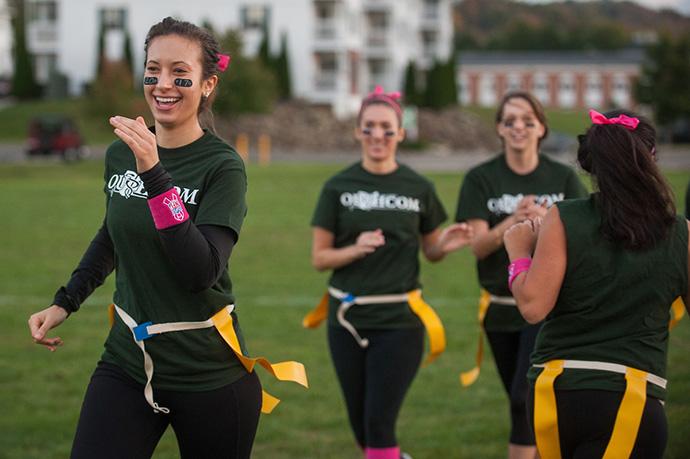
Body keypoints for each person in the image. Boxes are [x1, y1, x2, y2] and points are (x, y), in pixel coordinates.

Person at [27, 17, 305, 459]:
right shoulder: (124, 150)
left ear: (207, 84)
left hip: (209, 372)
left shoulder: (223, 166)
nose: (163, 84)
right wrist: (66, 301)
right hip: (127, 362)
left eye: (180, 73)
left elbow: (201, 271)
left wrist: (155, 175)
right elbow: (113, 235)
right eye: (153, 70)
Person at [504, 109, 688, 458]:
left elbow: (532, 306)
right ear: (651, 159)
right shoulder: (681, 232)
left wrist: (518, 254)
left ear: (590, 165)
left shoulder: (564, 216)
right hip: (631, 396)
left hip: (555, 393)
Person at [303, 86, 473, 459]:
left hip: (399, 320)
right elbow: (320, 258)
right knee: (362, 427)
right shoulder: (338, 187)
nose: (377, 135)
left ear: (400, 132)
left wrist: (447, 243)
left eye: (385, 127)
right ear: (357, 132)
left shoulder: (419, 188)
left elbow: (431, 252)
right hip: (345, 321)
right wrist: (355, 249)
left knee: (380, 425)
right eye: (368, 127)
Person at [455, 91, 587, 459]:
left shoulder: (562, 176)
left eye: (528, 120)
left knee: (523, 397)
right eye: (509, 120)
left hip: (546, 306)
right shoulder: (480, 178)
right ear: (498, 127)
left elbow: (582, 242)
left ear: (542, 127)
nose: (518, 127)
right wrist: (512, 222)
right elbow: (478, 246)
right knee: (524, 403)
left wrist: (549, 225)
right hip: (498, 308)